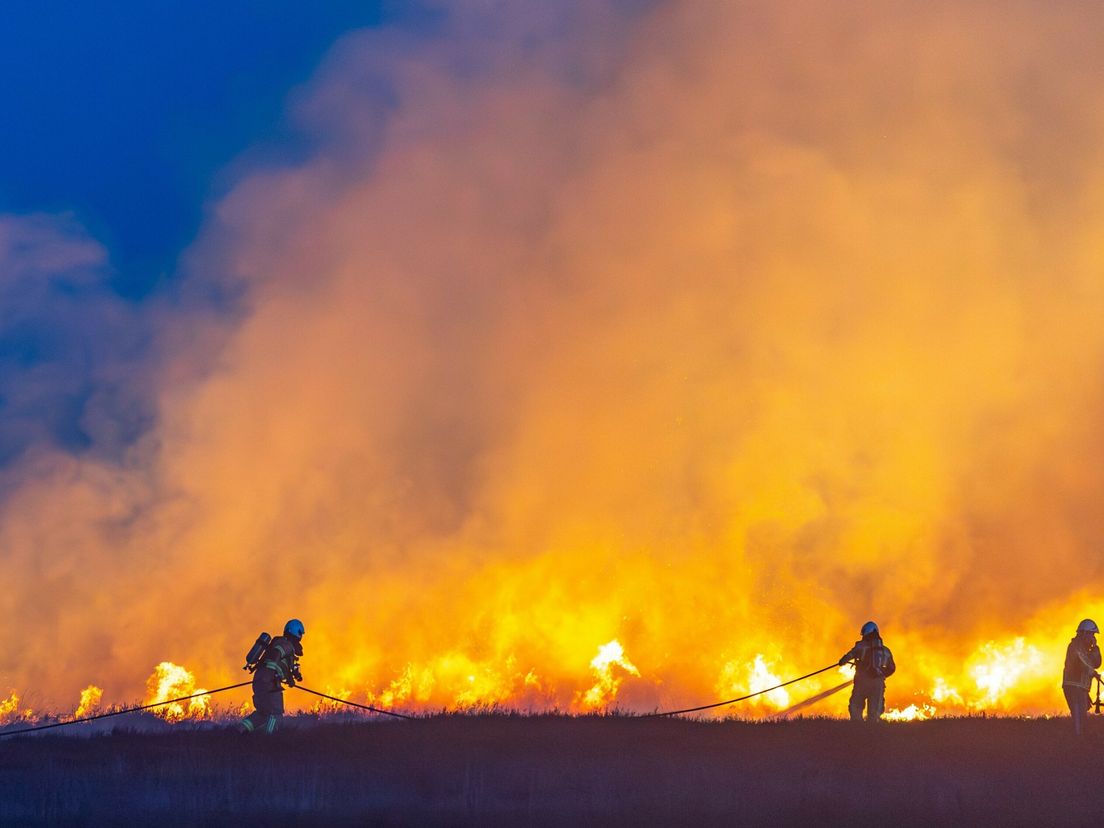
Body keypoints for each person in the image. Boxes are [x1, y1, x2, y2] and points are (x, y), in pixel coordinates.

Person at [240, 619, 305, 734]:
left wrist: (289, 676)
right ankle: (268, 741)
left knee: (262, 713)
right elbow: (275, 656)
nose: (301, 637)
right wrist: (282, 677)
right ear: (295, 632)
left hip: (259, 680)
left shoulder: (278, 642)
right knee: (276, 713)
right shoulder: (286, 645)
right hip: (269, 682)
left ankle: (238, 732)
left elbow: (279, 663)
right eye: (300, 633)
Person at [839, 621, 896, 722]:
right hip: (878, 684)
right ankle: (873, 732)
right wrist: (880, 675)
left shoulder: (861, 646)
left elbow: (849, 656)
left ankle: (857, 730)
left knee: (856, 706)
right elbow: (892, 668)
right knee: (875, 712)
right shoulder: (886, 650)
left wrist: (842, 661)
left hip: (862, 681)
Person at [1062, 618, 1101, 737]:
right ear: (1083, 633)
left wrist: (1095, 648)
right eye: (1091, 634)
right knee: (1079, 717)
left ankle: (1080, 738)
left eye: (1093, 635)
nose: (1092, 637)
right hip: (1073, 686)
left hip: (1081, 687)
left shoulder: (1086, 649)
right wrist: (1092, 672)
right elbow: (1082, 662)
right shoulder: (1075, 646)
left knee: (1082, 717)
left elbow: (1096, 663)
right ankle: (1077, 740)